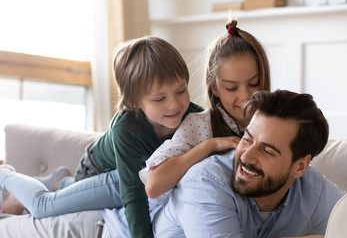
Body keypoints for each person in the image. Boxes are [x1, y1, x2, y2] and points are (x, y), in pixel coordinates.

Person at [0, 36, 203, 238]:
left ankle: (60, 182)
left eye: (181, 90)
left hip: (130, 173)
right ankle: (5, 175)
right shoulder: (127, 128)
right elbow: (133, 194)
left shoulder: (194, 117)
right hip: (100, 171)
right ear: (134, 101)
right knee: (43, 206)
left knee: (80, 193)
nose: (174, 105)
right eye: (160, 99)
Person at [152, 89, 345, 238]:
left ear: (300, 167)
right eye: (247, 139)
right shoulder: (205, 184)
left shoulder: (312, 188)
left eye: (267, 151)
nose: (246, 156)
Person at [138, 19, 271, 207]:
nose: (245, 96)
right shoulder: (200, 124)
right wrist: (211, 145)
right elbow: (154, 186)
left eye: (254, 83)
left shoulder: (272, 123)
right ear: (214, 88)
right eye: (231, 88)